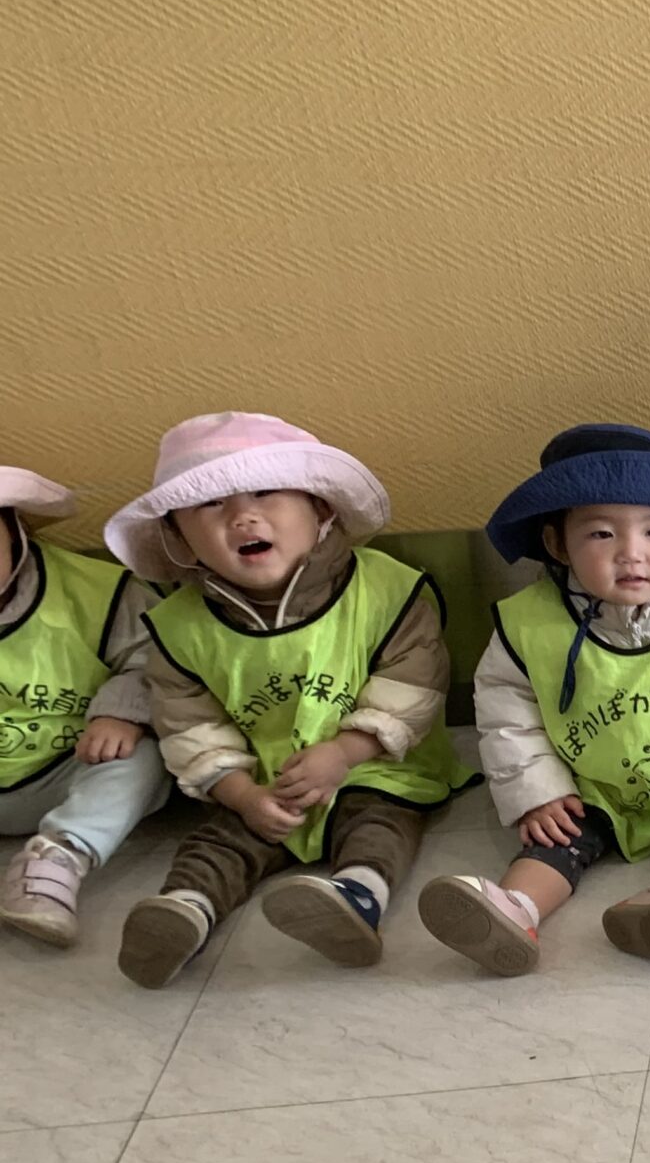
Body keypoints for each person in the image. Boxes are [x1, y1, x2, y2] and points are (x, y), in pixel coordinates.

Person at [103, 412, 470, 987]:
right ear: (177, 538)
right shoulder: (178, 628)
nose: (242, 516)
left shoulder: (388, 589)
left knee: (378, 822)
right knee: (220, 839)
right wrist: (241, 792)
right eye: (211, 505)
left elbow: (414, 680)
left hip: (374, 765)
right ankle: (185, 909)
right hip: (260, 777)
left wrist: (345, 751)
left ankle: (357, 896)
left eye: (266, 493)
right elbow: (188, 724)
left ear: (321, 509)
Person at [418, 424, 650, 973]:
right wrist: (537, 791)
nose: (630, 554)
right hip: (587, 780)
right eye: (600, 534)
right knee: (557, 836)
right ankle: (514, 908)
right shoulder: (529, 622)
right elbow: (506, 712)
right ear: (557, 545)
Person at [0, 464, 170, 947]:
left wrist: (121, 712)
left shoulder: (98, 591)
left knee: (144, 759)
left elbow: (158, 656)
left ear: (16, 529)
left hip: (69, 764)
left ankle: (58, 857)